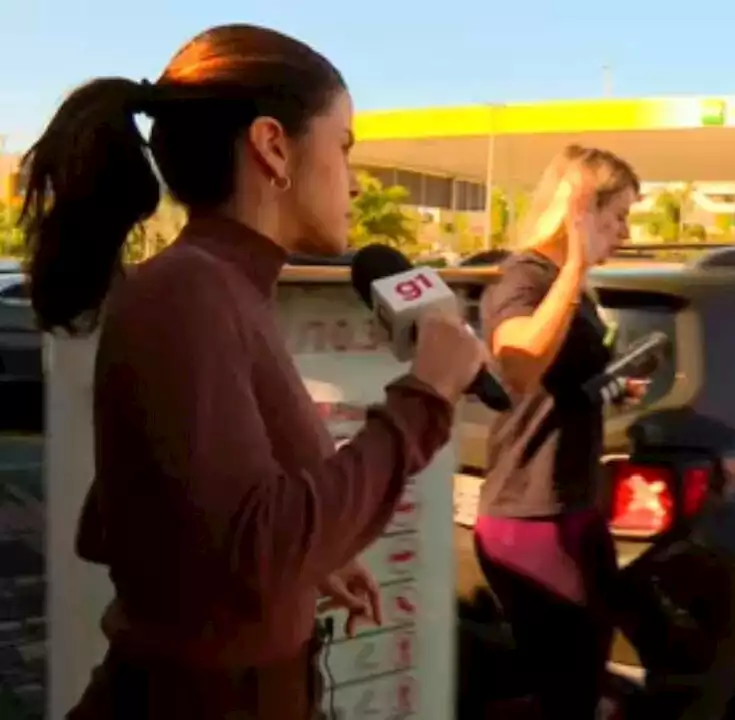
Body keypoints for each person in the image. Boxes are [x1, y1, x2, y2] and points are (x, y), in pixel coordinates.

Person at [20, 24, 486, 718]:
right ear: (273, 146)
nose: (355, 184)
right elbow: (249, 545)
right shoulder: (186, 290)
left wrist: (310, 563)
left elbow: (181, 523)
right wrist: (426, 397)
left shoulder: (225, 289)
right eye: (345, 147)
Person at [475, 145, 640, 719]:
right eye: (616, 216)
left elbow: (558, 384)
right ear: (580, 211)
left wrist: (609, 384)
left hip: (574, 502)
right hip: (529, 514)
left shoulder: (577, 288)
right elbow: (518, 362)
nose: (624, 232)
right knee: (566, 687)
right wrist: (573, 264)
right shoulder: (525, 275)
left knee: (585, 672)